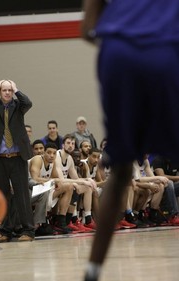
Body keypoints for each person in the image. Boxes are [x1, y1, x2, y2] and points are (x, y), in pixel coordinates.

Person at [82, 1, 179, 280]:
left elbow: (87, 28)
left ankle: (92, 272)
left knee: (121, 167)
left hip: (117, 54)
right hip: (166, 48)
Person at [0, 79, 35, 242]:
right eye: (4, 90)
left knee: (22, 195)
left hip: (18, 158)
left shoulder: (19, 106)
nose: (8, 93)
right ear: (0, 92)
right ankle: (6, 230)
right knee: (2, 196)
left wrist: (17, 89)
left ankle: (28, 231)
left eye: (10, 90)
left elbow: (28, 102)